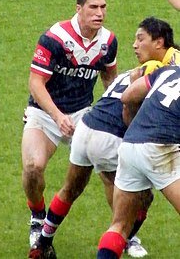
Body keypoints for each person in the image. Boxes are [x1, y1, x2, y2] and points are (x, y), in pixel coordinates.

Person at [21, 0, 118, 258]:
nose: (100, 13)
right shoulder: (54, 37)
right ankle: (37, 217)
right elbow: (36, 83)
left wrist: (110, 112)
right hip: (45, 112)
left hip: (83, 114)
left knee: (108, 172)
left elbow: (109, 78)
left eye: (103, 7)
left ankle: (123, 231)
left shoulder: (108, 41)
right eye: (93, 7)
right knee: (32, 167)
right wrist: (57, 116)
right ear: (79, 9)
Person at [28, 61, 162, 259]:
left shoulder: (134, 71)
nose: (135, 45)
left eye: (140, 40)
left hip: (86, 128)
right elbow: (128, 113)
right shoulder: (156, 75)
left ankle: (42, 243)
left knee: (70, 189)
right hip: (109, 138)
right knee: (140, 201)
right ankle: (123, 240)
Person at [97, 64, 180, 259]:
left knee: (120, 225)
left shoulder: (169, 70)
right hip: (161, 149)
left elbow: (127, 96)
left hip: (131, 144)